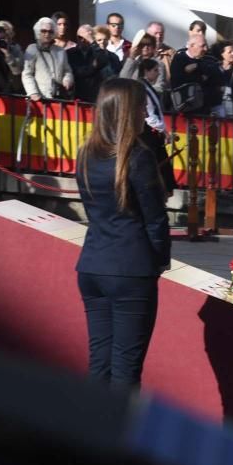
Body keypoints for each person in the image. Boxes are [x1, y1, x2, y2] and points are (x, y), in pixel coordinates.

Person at [75, 78, 170, 389]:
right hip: (131, 269)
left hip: (92, 265)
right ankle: (118, 436)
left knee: (99, 364)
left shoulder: (85, 154)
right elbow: (155, 220)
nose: (145, 112)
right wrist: (158, 263)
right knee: (126, 369)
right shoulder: (138, 155)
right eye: (141, 106)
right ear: (127, 111)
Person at [137, 58, 174, 195]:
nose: (158, 74)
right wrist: (163, 130)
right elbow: (149, 114)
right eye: (155, 70)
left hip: (153, 132)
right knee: (155, 167)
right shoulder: (142, 88)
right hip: (148, 133)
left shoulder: (147, 87)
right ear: (146, 71)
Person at [22, 17, 74, 101]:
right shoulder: (32, 48)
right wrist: (33, 92)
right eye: (44, 31)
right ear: (38, 31)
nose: (47, 34)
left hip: (58, 98)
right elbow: (27, 74)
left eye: (50, 31)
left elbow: (68, 71)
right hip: (39, 98)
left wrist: (67, 79)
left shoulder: (60, 51)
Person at [170, 34, 222, 115]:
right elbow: (178, 81)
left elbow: (217, 76)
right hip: (186, 109)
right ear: (192, 45)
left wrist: (197, 65)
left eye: (206, 46)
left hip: (205, 110)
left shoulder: (208, 59)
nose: (206, 49)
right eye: (202, 46)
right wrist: (201, 77)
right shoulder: (179, 59)